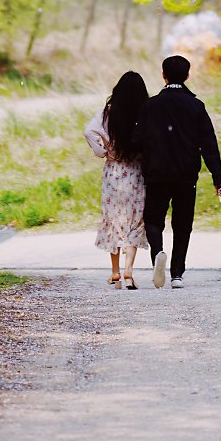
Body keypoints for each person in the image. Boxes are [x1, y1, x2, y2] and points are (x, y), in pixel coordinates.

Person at [140, 54, 221, 289]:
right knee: (183, 222)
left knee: (153, 219)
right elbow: (209, 145)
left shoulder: (150, 105)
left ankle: (157, 254)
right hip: (186, 175)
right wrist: (218, 178)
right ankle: (177, 273)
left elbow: (139, 140)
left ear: (163, 75)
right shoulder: (196, 106)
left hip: (156, 173)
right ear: (187, 75)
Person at [84, 70, 149, 289]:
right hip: (137, 173)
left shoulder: (107, 113)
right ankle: (129, 271)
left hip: (114, 172)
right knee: (135, 221)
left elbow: (89, 132)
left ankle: (115, 273)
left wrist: (103, 151)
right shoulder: (144, 113)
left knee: (113, 219)